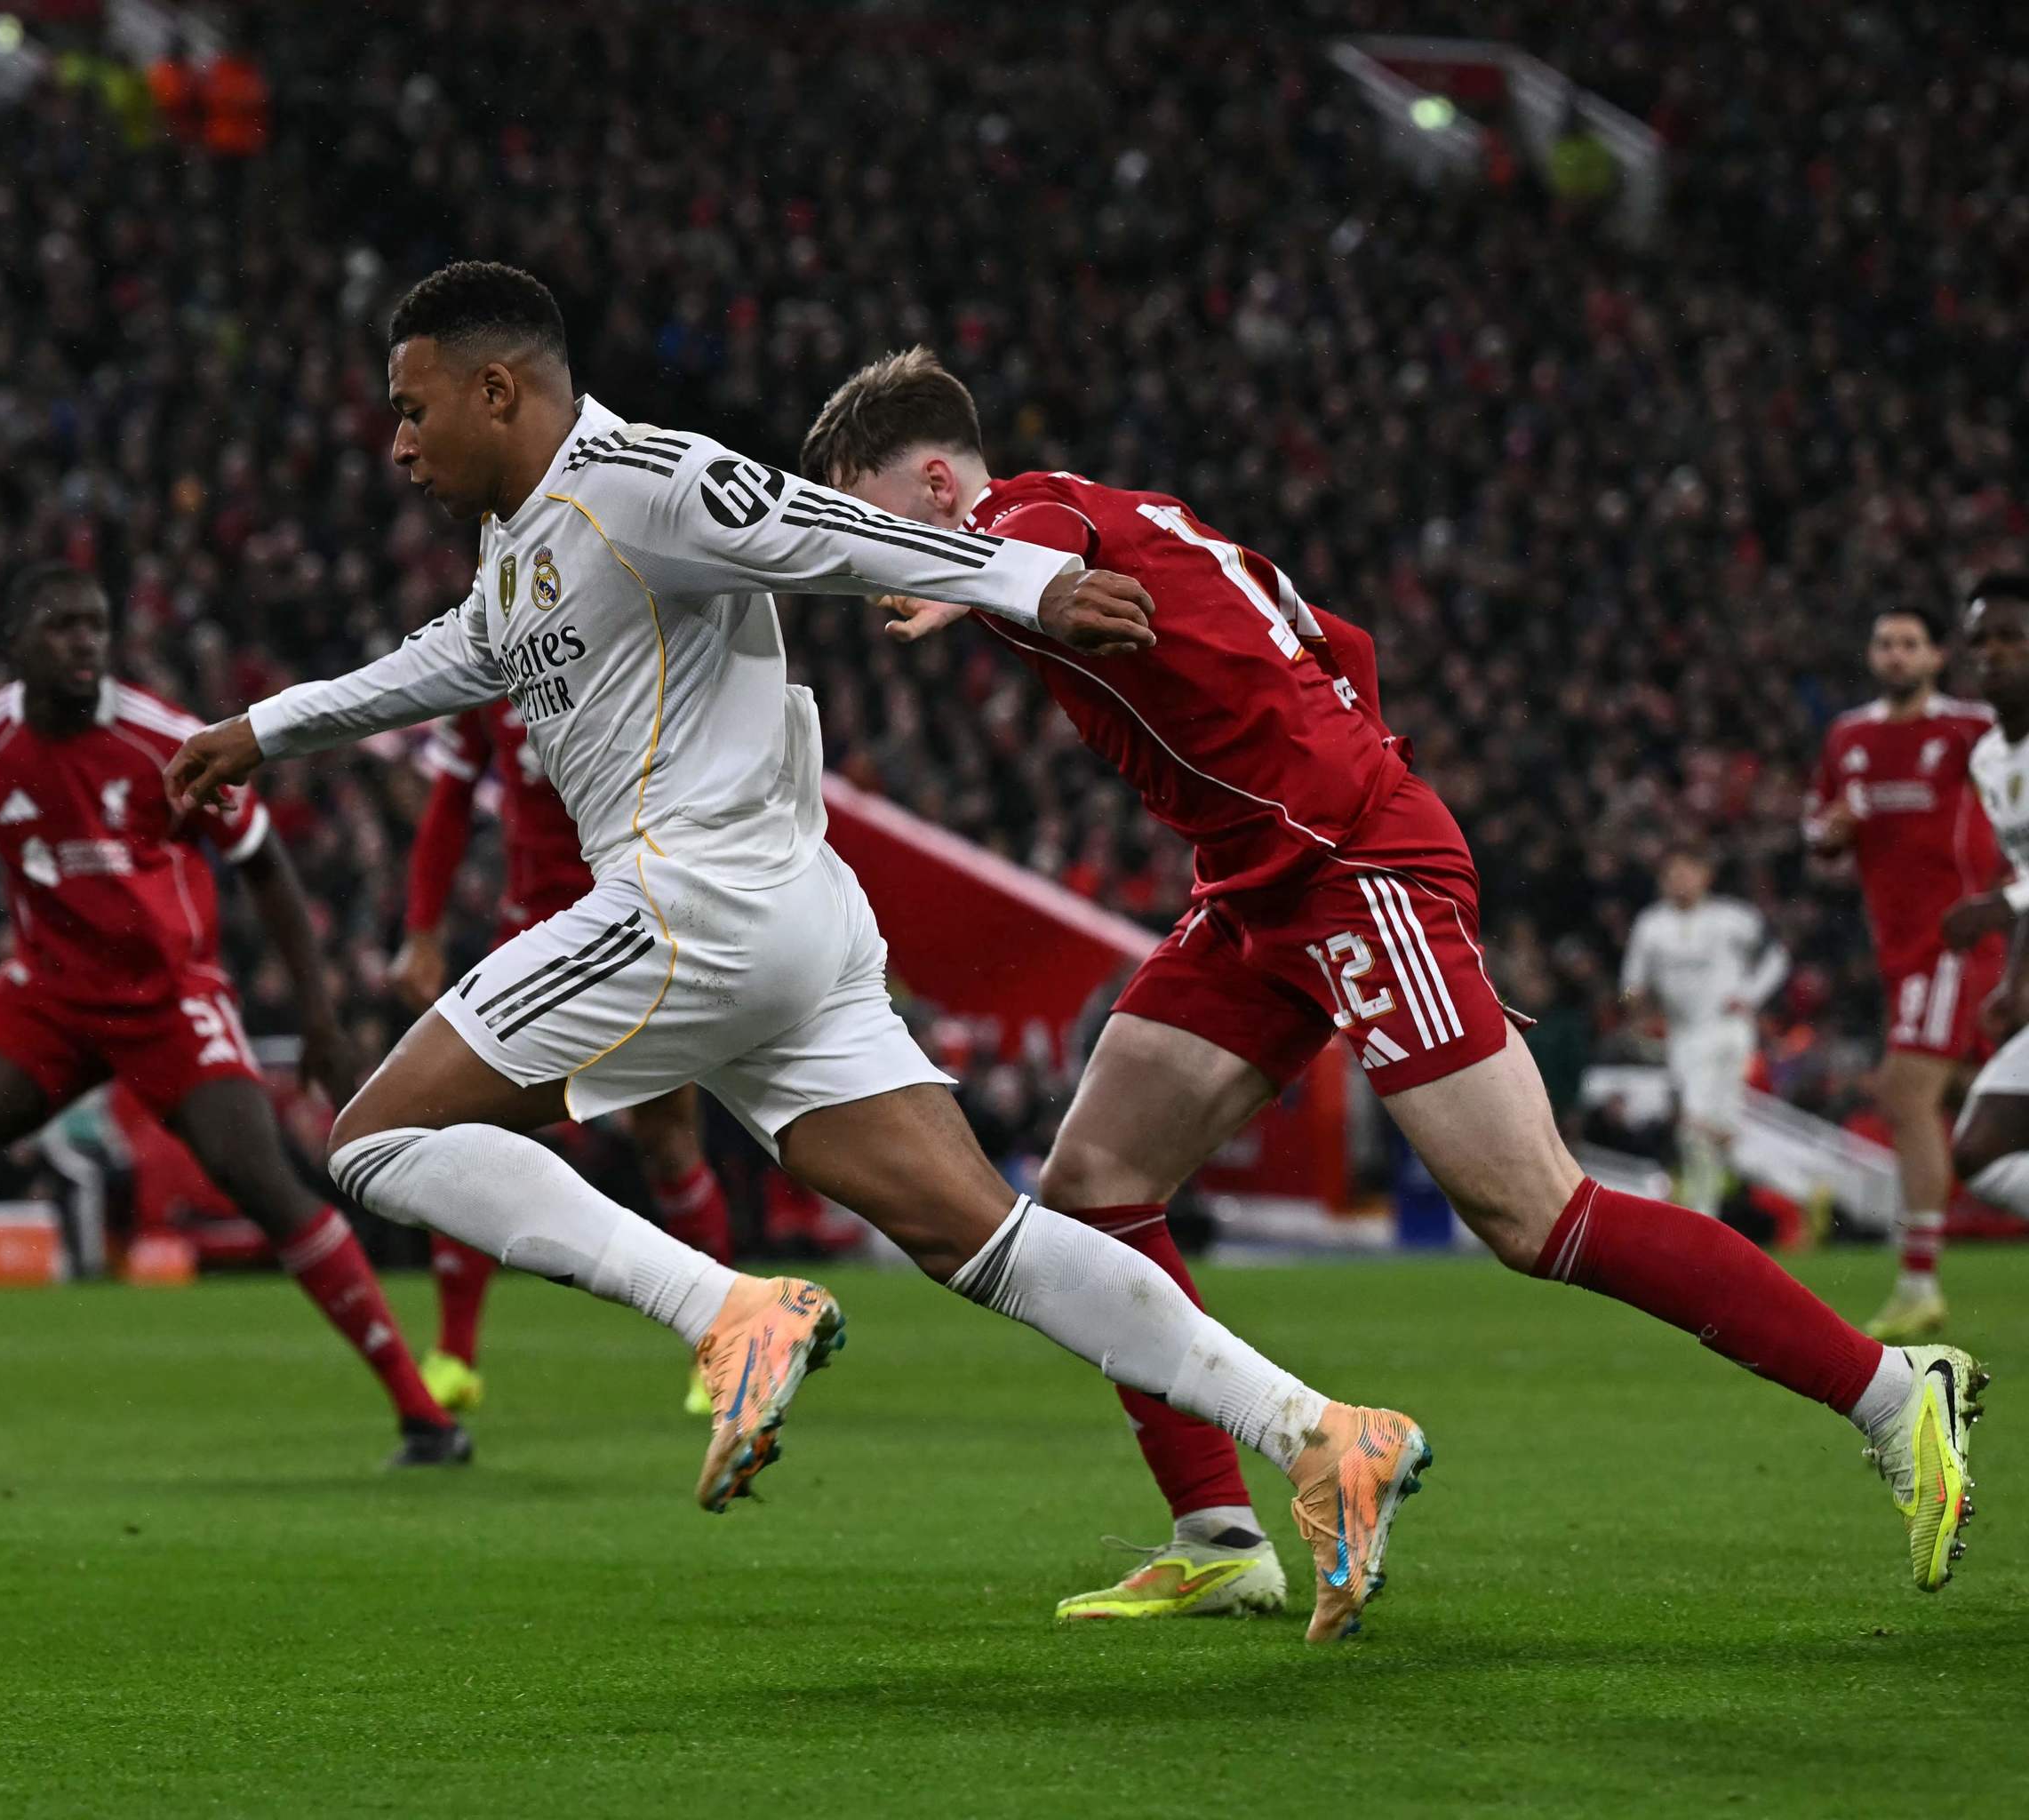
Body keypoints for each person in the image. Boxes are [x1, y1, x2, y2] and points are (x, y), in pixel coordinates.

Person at [167, 262, 1429, 1644]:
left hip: (690, 905)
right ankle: (1320, 1432)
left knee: (374, 1141)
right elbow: (443, 660)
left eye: (414, 411)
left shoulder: (643, 478)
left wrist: (1028, 583)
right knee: (988, 1239)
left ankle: (725, 1311)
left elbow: (816, 526)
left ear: (499, 389)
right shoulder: (520, 545)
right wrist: (261, 731)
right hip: (791, 928)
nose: (399, 444)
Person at [797, 345, 1985, 1607]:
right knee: (1095, 1185)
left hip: (1349, 870)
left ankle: (1893, 1391)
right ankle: (1219, 1536)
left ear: (937, 484)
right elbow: (1339, 642)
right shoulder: (1136, 512)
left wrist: (1404, 889)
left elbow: (1037, 552)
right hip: (1265, 881)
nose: (869, 551)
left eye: (869, 513)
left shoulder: (1027, 521)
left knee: (1535, 1214)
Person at [0, 567, 468, 1472]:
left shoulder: (165, 739)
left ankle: (425, 1418)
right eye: (62, 625)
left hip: (170, 996)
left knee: (264, 1181)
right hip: (48, 996)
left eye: (96, 625)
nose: (85, 643)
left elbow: (265, 865)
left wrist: (319, 1019)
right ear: (15, 642)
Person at [395, 699, 732, 1417]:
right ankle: (454, 1355)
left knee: (665, 1136)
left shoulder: (640, 662)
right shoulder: (493, 667)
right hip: (529, 941)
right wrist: (422, 932)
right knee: (462, 1132)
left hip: (635, 935)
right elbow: (451, 798)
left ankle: (722, 1343)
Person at [1805, 610, 2004, 1339]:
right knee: (1965, 1095)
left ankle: (1919, 1282)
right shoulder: (1848, 736)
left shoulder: (1972, 728)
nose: (1896, 655)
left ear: (1937, 656)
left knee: (1903, 1091)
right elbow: (1816, 823)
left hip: (1955, 939)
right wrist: (1827, 832)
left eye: (1910, 644)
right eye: (1885, 643)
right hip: (1897, 949)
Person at [1619, 847, 1791, 1217]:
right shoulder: (1651, 925)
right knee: (1707, 1131)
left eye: (1687, 873)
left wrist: (1750, 995)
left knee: (1694, 1125)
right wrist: (1637, 1004)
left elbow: (1777, 957)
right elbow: (1632, 983)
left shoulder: (1733, 918)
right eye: (1672, 875)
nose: (1680, 881)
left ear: (1705, 876)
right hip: (1683, 1035)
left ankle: (1702, 1214)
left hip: (1727, 1029)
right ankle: (1713, 1205)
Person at [1941, 581, 2029, 1241]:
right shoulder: (1990, 759)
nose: (1992, 653)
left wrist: (2002, 904)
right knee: (1979, 1151)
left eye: (2010, 638)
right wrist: (2015, 983)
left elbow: (2018, 890)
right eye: (1980, 641)